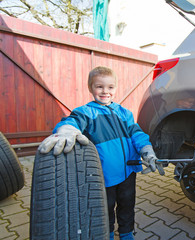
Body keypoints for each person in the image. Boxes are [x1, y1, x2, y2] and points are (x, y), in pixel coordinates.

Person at [38, 66, 164, 240]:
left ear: (115, 88)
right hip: (102, 176)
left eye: (110, 87)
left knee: (127, 205)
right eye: (99, 87)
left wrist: (147, 151)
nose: (105, 91)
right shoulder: (86, 112)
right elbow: (72, 121)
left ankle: (127, 233)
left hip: (128, 173)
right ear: (91, 88)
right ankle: (108, 233)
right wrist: (66, 130)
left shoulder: (124, 113)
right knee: (105, 208)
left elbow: (137, 134)